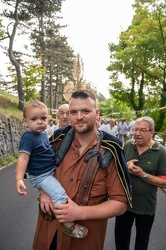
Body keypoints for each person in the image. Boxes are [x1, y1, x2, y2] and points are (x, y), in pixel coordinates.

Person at [33, 90, 132, 250]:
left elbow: (120, 203)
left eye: (85, 111)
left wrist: (78, 213)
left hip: (84, 241)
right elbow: (35, 168)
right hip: (48, 233)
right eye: (74, 112)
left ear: (97, 113)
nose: (79, 116)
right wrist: (43, 191)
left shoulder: (112, 150)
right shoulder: (56, 140)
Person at [15, 100, 88, 239]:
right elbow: (23, 159)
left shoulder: (43, 134)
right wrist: (19, 179)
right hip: (42, 176)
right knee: (59, 194)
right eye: (34, 119)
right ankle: (68, 224)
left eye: (43, 118)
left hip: (48, 171)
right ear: (25, 122)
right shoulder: (28, 138)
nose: (40, 122)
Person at [115, 116, 166, 250]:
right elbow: (116, 168)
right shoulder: (127, 145)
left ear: (152, 132)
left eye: (142, 130)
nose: (137, 133)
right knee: (120, 237)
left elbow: (163, 182)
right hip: (124, 202)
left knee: (142, 241)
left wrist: (141, 174)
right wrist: (125, 166)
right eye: (135, 129)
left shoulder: (161, 152)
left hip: (145, 207)